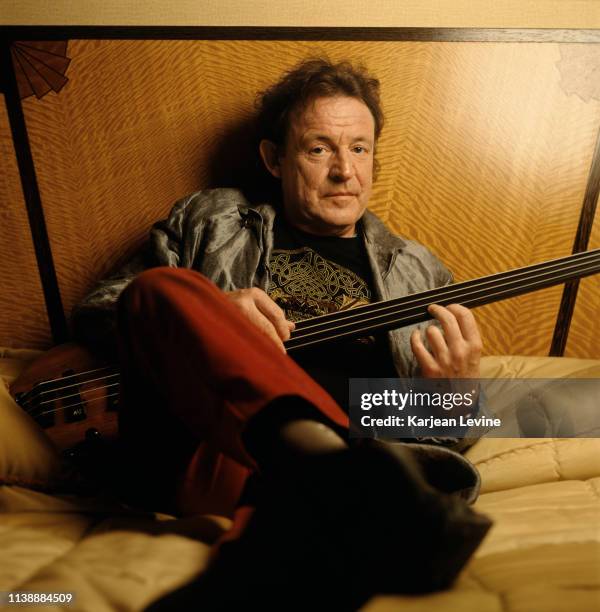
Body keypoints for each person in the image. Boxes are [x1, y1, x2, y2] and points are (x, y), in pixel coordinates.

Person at [72, 58, 491, 610]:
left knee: (312, 506)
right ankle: (325, 477)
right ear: (275, 158)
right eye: (320, 149)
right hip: (212, 440)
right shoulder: (212, 221)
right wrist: (218, 309)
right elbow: (102, 311)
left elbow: (433, 440)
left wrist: (450, 405)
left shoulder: (420, 271)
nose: (346, 170)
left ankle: (306, 506)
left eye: (360, 148)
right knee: (158, 289)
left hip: (356, 449)